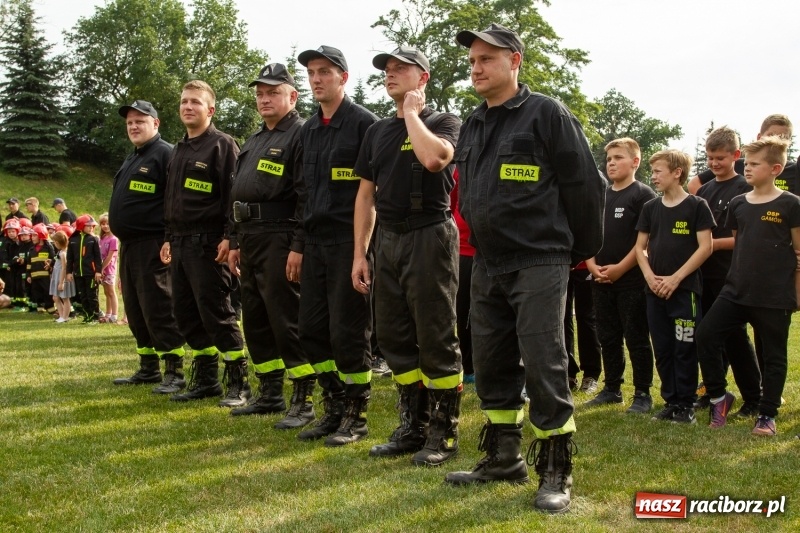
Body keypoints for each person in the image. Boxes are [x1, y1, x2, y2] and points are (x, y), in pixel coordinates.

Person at [442, 24, 605, 515]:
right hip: (487, 261)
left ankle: (556, 466)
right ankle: (503, 457)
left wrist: (575, 251)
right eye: (472, 60)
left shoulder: (547, 113)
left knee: (543, 360)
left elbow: (586, 186)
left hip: (540, 258)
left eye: (486, 59)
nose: (476, 68)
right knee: (490, 360)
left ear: (514, 61)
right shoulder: (473, 123)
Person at [352, 46, 463, 467]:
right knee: (394, 336)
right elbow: (366, 196)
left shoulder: (444, 122)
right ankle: (412, 425)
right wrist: (360, 254)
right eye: (387, 68)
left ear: (424, 78)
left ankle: (443, 431)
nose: (391, 73)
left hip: (429, 234)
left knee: (435, 334)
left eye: (402, 68)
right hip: (388, 239)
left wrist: (412, 114)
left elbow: (434, 159)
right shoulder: (377, 132)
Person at [288, 46, 379, 445]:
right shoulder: (307, 130)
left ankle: (356, 414)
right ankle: (334, 405)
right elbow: (302, 192)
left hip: (350, 243)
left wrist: (363, 251)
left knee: (348, 331)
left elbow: (373, 195)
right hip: (314, 243)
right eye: (311, 72)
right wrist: (298, 244)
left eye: (325, 71)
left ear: (343, 77)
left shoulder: (365, 125)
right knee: (310, 330)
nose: (316, 79)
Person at [697, 137, 800, 435]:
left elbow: (798, 254)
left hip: (774, 296)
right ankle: (719, 398)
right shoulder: (739, 203)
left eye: (755, 164)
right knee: (705, 335)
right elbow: (740, 244)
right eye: (747, 163)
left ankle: (767, 415)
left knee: (774, 356)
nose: (747, 168)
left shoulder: (791, 204)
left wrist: (796, 294)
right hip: (735, 291)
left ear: (775, 169)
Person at [225, 63, 311, 423]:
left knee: (286, 318)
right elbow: (238, 192)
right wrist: (233, 239)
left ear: (292, 96)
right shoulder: (255, 139)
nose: (264, 99)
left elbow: (306, 195)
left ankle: (303, 398)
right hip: (249, 237)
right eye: (260, 93)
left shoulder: (301, 135)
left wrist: (298, 245)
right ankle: (270, 392)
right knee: (257, 318)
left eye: (273, 92)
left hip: (280, 237)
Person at [161, 81, 244, 402]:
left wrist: (230, 237)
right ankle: (207, 379)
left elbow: (234, 196)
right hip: (179, 243)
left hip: (209, 244)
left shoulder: (222, 145)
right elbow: (171, 199)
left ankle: (238, 382)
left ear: (210, 110)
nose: (187, 107)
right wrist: (168, 238)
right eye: (184, 101)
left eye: (195, 102)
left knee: (217, 313)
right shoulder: (179, 149)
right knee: (185, 314)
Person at [110, 100, 186, 391]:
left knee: (158, 307)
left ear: (155, 123)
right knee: (136, 308)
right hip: (130, 246)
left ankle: (174, 371)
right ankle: (148, 367)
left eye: (140, 121)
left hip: (153, 244)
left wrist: (169, 237)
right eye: (129, 122)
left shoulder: (165, 154)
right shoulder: (133, 157)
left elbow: (175, 200)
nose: (133, 126)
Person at [635, 150, 714, 424]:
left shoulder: (697, 206)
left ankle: (686, 404)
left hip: (684, 291)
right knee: (663, 347)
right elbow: (639, 248)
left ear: (677, 172)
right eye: (652, 171)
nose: (653, 176)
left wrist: (676, 278)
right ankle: (670, 402)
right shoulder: (650, 208)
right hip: (654, 291)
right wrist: (650, 277)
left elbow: (706, 247)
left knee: (685, 347)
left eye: (658, 171)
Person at [585, 138, 655, 413]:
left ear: (635, 162)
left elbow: (644, 243)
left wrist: (620, 269)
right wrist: (592, 266)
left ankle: (642, 393)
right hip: (600, 279)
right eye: (609, 159)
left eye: (618, 158)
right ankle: (612, 389)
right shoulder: (601, 195)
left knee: (636, 337)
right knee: (608, 336)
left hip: (631, 281)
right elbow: (588, 233)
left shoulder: (643, 195)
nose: (611, 163)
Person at [694, 127, 760, 415]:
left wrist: (711, 245)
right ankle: (713, 391)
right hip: (704, 274)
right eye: (710, 158)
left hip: (732, 274)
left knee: (734, 337)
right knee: (706, 335)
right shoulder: (704, 191)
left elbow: (748, 237)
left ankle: (753, 398)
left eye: (720, 158)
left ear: (736, 155)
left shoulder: (745, 188)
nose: (714, 163)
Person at [687, 114, 796, 195]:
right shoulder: (740, 164)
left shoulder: (796, 170)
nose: (776, 140)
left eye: (783, 137)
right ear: (759, 137)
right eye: (771, 135)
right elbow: (694, 183)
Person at [564, 262, 603, 394]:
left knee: (587, 319)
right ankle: (568, 373)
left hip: (586, 266)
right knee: (562, 319)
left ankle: (591, 375)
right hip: (562, 264)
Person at [66, 214, 103, 324]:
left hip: (91, 273)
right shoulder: (73, 240)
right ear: (81, 226)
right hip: (78, 273)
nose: (91, 228)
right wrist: (69, 272)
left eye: (92, 226)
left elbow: (98, 257)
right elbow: (70, 258)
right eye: (89, 226)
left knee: (92, 296)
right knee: (83, 296)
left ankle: (95, 317)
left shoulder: (93, 239)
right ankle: (88, 315)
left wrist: (98, 271)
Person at [25, 223, 55, 313]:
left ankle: (50, 308)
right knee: (37, 292)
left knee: (47, 292)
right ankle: (40, 308)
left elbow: (53, 259)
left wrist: (50, 264)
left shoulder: (48, 247)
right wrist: (28, 275)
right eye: (32, 236)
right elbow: (29, 263)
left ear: (41, 236)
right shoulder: (31, 249)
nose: (32, 238)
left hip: (45, 276)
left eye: (34, 236)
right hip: (34, 276)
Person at [97, 213, 119, 323]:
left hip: (109, 270)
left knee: (111, 292)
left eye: (108, 224)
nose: (105, 226)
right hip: (102, 269)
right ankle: (108, 314)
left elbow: (110, 257)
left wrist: (101, 269)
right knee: (106, 292)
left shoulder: (113, 239)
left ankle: (114, 315)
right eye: (103, 224)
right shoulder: (102, 238)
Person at [50, 230, 75, 323]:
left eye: (54, 242)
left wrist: (61, 282)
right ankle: (61, 316)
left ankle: (65, 317)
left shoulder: (63, 253)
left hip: (61, 277)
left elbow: (64, 268)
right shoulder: (60, 252)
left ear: (57, 242)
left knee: (65, 297)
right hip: (56, 275)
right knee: (55, 297)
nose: (54, 244)